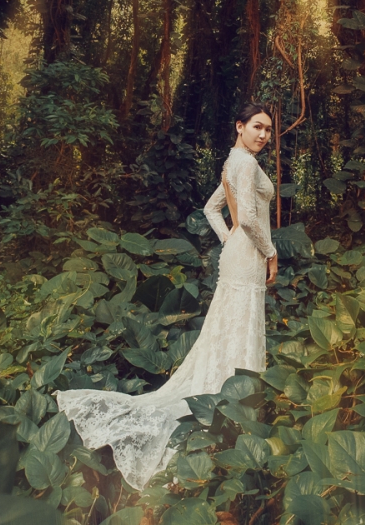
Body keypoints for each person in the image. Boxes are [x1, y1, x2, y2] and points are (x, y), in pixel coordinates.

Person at [55, 102, 279, 490]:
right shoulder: (245, 165)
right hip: (248, 256)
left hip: (239, 253)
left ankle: (231, 393)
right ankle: (236, 401)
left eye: (268, 130)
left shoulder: (234, 162)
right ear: (239, 126)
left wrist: (230, 238)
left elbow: (213, 208)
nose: (264, 135)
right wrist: (267, 251)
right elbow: (250, 219)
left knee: (230, 322)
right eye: (257, 126)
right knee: (239, 319)